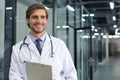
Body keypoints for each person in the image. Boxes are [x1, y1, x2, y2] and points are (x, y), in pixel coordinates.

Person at [9, 4, 77, 80]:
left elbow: (71, 75)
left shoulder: (59, 45)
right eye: (35, 17)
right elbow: (14, 76)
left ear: (46, 20)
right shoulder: (17, 49)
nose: (39, 21)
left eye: (42, 17)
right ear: (28, 20)